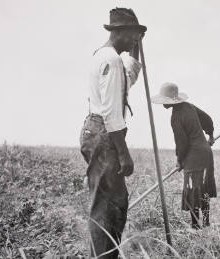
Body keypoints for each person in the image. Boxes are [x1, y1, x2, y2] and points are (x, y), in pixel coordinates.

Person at [79, 8, 146, 258]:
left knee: (113, 204)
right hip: (105, 134)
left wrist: (137, 46)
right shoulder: (111, 60)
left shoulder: (108, 57)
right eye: (131, 35)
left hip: (96, 131)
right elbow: (111, 113)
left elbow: (130, 74)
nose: (133, 40)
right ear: (118, 32)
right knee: (109, 207)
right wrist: (124, 154)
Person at [151, 82, 217, 229]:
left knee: (192, 189)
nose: (163, 104)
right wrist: (210, 135)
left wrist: (180, 160)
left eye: (165, 101)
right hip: (206, 153)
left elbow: (182, 144)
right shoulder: (189, 106)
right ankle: (206, 224)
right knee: (203, 188)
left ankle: (195, 227)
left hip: (194, 156)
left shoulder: (176, 117)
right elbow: (207, 119)